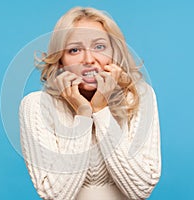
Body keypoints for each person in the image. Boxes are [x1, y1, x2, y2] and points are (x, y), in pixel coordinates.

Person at [19, 7, 161, 200]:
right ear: (60, 61)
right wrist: (83, 113)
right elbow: (55, 195)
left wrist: (101, 109)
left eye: (99, 47)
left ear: (114, 55)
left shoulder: (139, 96)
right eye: (74, 50)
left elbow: (141, 189)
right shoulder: (36, 105)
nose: (88, 60)